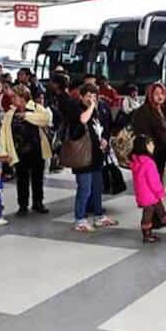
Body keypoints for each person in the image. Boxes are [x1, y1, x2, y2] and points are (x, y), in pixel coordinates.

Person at [68, 83, 118, 232]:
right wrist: (90, 107)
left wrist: (104, 140)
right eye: (88, 96)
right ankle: (80, 219)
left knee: (97, 187)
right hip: (83, 157)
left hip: (97, 156)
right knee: (85, 188)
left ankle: (99, 215)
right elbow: (82, 120)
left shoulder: (100, 110)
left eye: (94, 97)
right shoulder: (76, 108)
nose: (92, 99)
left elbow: (104, 127)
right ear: (81, 96)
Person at [0, 85, 52, 215]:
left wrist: (26, 115)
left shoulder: (36, 108)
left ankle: (38, 203)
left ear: (22, 98)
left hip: (37, 150)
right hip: (18, 151)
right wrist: (3, 152)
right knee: (21, 180)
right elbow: (4, 133)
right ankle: (22, 205)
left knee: (37, 178)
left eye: (15, 97)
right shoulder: (10, 113)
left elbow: (46, 119)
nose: (12, 100)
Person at [129, 134, 166, 242]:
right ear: (145, 146)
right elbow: (154, 181)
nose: (153, 145)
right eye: (150, 144)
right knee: (148, 214)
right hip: (151, 195)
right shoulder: (148, 163)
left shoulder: (136, 161)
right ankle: (147, 234)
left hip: (143, 194)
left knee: (160, 211)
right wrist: (160, 192)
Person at [132, 82, 166, 179]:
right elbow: (143, 135)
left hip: (162, 154)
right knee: (150, 183)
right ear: (150, 95)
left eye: (162, 93)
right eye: (156, 94)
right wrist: (150, 153)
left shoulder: (162, 109)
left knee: (158, 183)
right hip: (150, 155)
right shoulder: (143, 111)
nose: (160, 96)